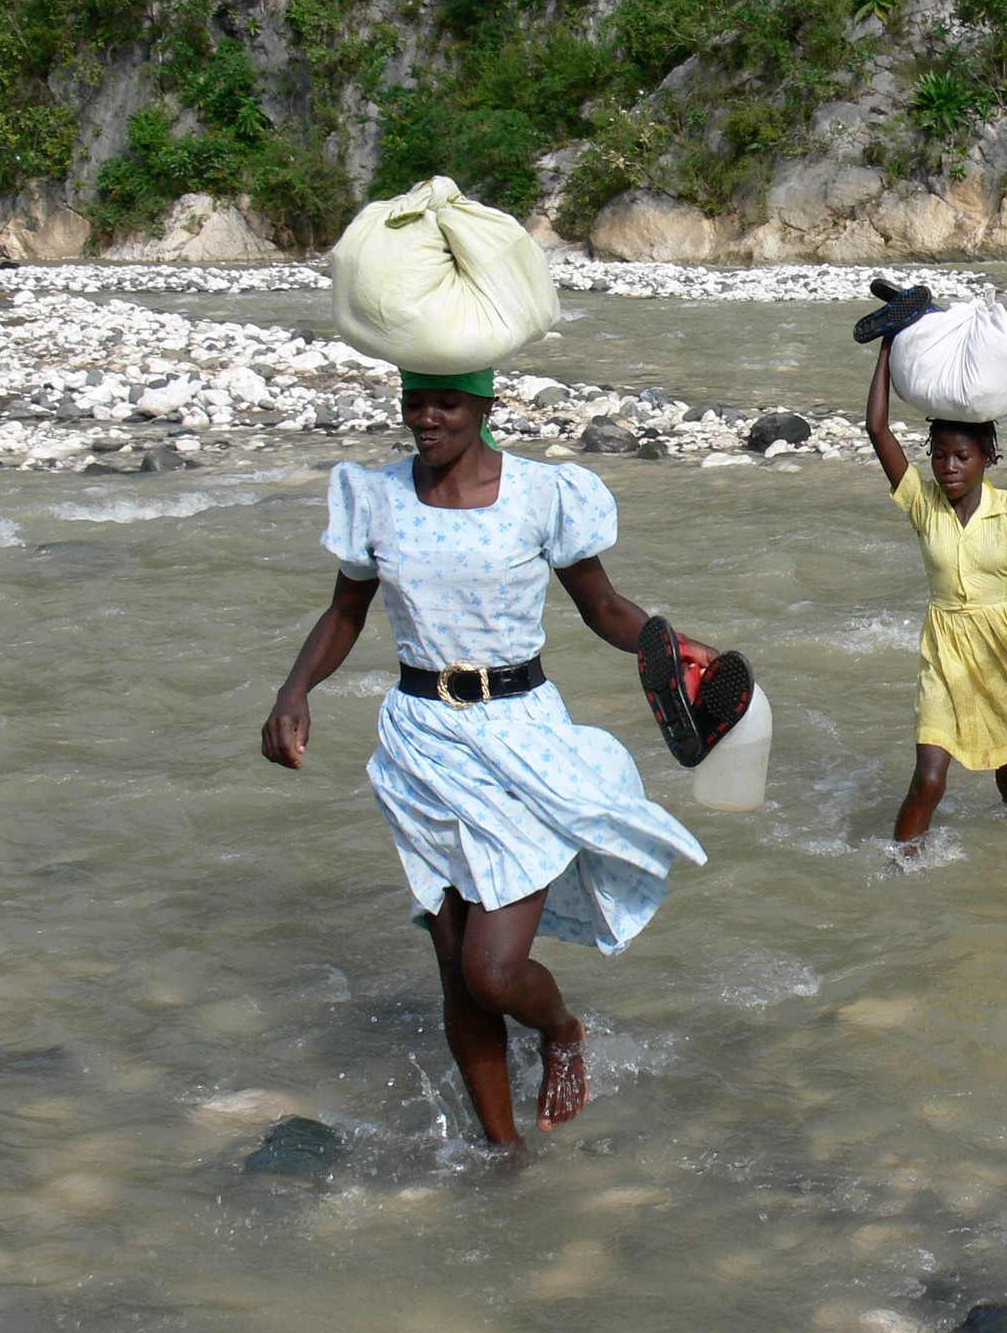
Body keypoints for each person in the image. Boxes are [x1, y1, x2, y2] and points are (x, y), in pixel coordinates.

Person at [261, 369, 708, 1148]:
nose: (425, 419)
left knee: (492, 971)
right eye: (414, 402)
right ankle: (503, 1158)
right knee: (455, 971)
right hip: (421, 743)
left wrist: (676, 649)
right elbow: (344, 614)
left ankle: (562, 1030)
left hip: (521, 736)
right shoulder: (379, 497)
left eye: (446, 403)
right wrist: (295, 690)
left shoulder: (540, 495)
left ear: (484, 407)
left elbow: (602, 605)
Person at [865, 339, 1007, 847]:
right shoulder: (922, 504)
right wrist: (887, 346)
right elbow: (877, 430)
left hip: (1003, 646)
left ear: (987, 457)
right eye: (939, 456)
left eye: (961, 456)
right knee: (929, 778)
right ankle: (901, 868)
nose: (948, 467)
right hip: (943, 650)